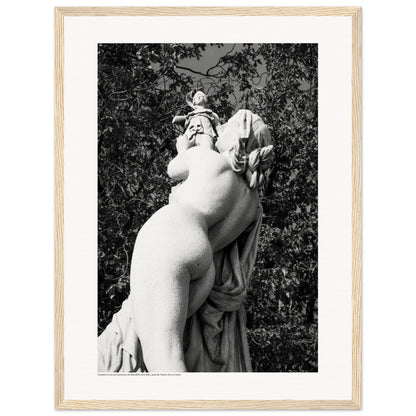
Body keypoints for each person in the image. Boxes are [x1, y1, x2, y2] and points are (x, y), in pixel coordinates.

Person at [98, 109, 273, 372]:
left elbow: (173, 170)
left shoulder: (209, 159)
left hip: (170, 236)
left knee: (164, 358)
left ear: (238, 137)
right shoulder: (253, 204)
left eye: (226, 127)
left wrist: (185, 146)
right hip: (204, 264)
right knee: (165, 349)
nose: (219, 131)